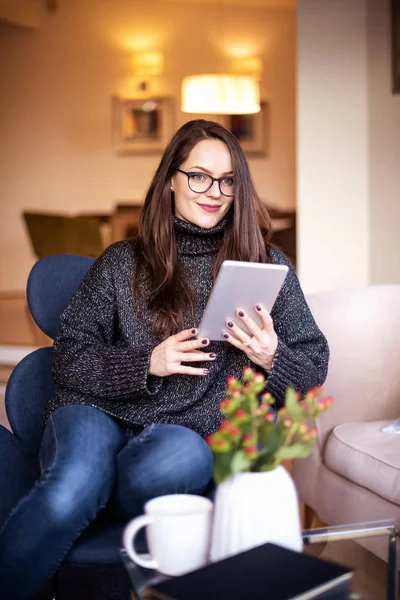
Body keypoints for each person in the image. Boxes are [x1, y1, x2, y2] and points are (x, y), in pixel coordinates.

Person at [0, 119, 329, 598]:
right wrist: (146, 363)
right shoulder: (122, 261)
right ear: (170, 179)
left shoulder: (267, 265)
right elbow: (68, 358)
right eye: (198, 175)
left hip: (184, 435)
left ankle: (92, 491)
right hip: (95, 411)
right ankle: (80, 493)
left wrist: (272, 355)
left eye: (227, 180)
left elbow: (313, 370)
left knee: (183, 457)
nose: (213, 191)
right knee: (76, 479)